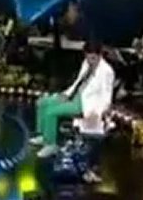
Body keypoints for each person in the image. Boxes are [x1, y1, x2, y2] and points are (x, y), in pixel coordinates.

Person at [31, 42, 115, 174]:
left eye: (93, 58)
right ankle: (44, 135)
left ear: (100, 55)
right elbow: (78, 82)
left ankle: (51, 144)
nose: (90, 61)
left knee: (51, 112)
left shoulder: (107, 72)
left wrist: (101, 111)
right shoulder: (86, 63)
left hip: (86, 104)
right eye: (88, 57)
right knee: (43, 103)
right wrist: (66, 94)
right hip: (75, 95)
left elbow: (107, 95)